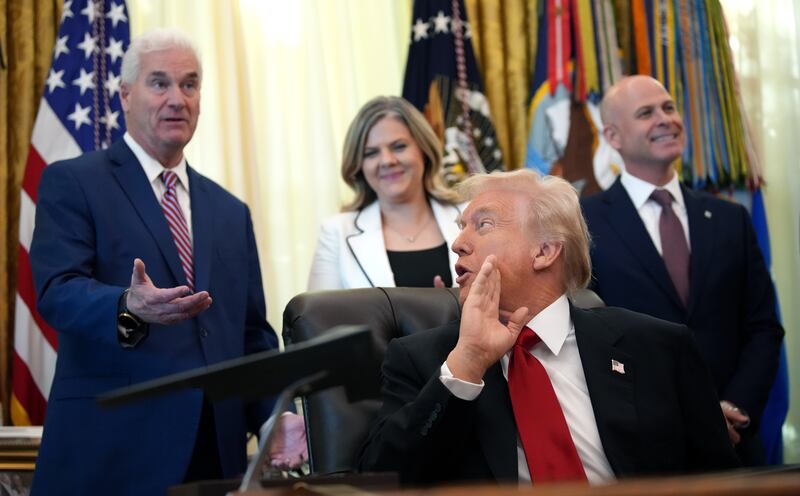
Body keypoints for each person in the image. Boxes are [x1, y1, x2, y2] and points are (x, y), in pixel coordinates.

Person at [29, 29, 304, 495]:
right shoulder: (73, 182)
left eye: (190, 84)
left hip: (215, 454)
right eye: (160, 83)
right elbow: (56, 291)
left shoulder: (230, 211)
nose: (177, 98)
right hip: (112, 449)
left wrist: (274, 415)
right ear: (125, 95)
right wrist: (126, 304)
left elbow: (251, 335)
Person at [357, 169, 739, 487]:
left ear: (544, 251)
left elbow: (721, 481)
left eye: (483, 224)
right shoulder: (422, 360)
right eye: (461, 228)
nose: (458, 243)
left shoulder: (657, 347)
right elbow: (381, 482)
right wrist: (467, 365)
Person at [581, 75, 784, 465]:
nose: (665, 119)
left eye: (669, 108)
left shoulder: (730, 219)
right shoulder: (584, 223)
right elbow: (588, 334)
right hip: (640, 446)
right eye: (646, 113)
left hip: (735, 445)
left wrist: (732, 408)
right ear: (613, 136)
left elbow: (763, 328)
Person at [307, 96, 465, 290]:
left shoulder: (470, 216)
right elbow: (318, 319)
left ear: (424, 150)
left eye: (399, 147)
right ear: (359, 165)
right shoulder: (336, 232)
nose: (387, 160)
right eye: (371, 153)